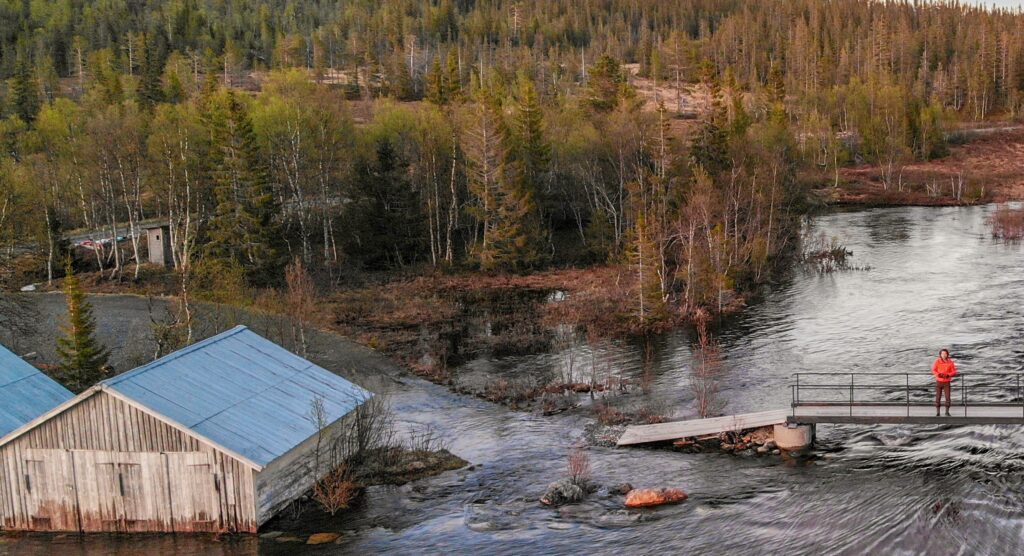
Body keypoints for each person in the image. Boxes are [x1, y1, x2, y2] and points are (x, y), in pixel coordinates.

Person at [932, 349, 957, 417]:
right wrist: (938, 374)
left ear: (947, 354)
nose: (944, 355)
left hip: (947, 382)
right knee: (938, 397)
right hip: (939, 381)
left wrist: (949, 374)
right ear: (940, 354)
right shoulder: (937, 361)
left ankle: (947, 412)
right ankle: (938, 412)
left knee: (948, 397)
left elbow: (954, 371)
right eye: (942, 354)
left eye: (945, 353)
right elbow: (934, 370)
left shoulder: (950, 362)